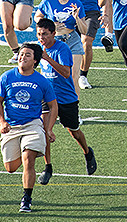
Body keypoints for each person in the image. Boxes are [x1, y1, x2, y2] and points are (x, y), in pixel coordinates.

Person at [0, 43, 57, 213]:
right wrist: (2, 121)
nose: (22, 57)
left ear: (35, 60)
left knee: (28, 160)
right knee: (11, 168)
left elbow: (53, 105)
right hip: (11, 126)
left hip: (32, 125)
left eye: (27, 55)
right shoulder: (6, 77)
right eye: (21, 54)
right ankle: (26, 152)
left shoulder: (42, 81)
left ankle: (26, 199)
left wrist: (49, 128)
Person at [33, 18, 96, 185]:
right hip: (48, 98)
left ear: (54, 34)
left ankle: (87, 152)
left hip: (66, 98)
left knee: (74, 131)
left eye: (45, 34)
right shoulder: (40, 49)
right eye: (39, 34)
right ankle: (48, 167)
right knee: (45, 130)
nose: (41, 38)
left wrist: (47, 58)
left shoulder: (62, 49)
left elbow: (66, 73)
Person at [35, 0, 89, 84]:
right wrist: (50, 24)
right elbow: (37, 17)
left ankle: (75, 101)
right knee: (48, 75)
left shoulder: (77, 3)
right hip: (52, 41)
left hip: (72, 40)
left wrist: (77, 18)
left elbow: (84, 31)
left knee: (74, 77)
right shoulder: (48, 1)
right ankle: (47, 101)